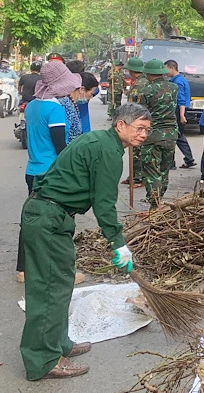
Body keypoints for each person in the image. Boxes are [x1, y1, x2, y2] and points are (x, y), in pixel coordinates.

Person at [19, 102, 150, 380]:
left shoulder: (98, 140)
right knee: (49, 290)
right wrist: (119, 243)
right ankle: (43, 361)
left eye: (147, 130)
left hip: (49, 215)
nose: (143, 134)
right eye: (139, 128)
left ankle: (59, 344)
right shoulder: (108, 152)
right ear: (120, 125)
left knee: (60, 283)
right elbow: (103, 205)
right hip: (48, 218)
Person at [16, 62, 76, 284]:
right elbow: (61, 147)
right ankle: (56, 271)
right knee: (57, 222)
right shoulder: (55, 109)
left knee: (31, 219)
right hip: (51, 173)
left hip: (33, 170)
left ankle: (22, 268)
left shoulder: (32, 106)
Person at [138, 59, 178, 209]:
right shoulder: (174, 87)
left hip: (153, 136)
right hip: (171, 134)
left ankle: (154, 204)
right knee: (164, 170)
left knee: (151, 171)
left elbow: (141, 114)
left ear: (149, 74)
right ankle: (159, 198)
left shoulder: (146, 91)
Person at [165, 60, 195, 169]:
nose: (165, 71)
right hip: (180, 111)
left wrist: (182, 115)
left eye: (166, 68)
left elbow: (181, 100)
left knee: (173, 135)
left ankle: (171, 162)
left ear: (172, 68)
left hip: (178, 111)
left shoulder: (178, 82)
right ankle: (188, 159)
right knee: (178, 135)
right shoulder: (180, 80)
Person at [122, 57, 147, 187]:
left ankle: (138, 178)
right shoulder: (140, 82)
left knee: (137, 150)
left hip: (137, 120)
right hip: (138, 120)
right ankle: (133, 176)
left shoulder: (140, 84)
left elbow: (134, 105)